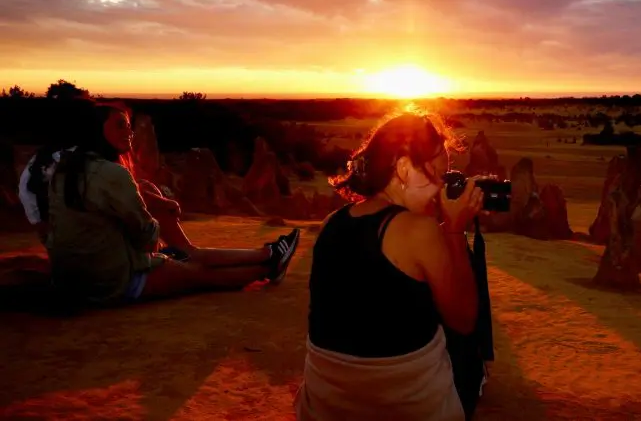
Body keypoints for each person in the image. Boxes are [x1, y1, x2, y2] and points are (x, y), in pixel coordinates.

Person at [295, 112, 483, 421]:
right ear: (405, 169)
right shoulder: (419, 231)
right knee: (465, 348)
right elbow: (464, 319)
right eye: (438, 174)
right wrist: (454, 230)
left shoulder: (332, 223)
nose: (441, 187)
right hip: (400, 405)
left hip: (326, 403)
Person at [46, 103, 300, 306]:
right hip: (111, 282)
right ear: (98, 131)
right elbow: (148, 238)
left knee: (188, 255)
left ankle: (268, 253)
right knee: (199, 272)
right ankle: (268, 266)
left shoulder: (64, 170)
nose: (129, 133)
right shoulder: (113, 174)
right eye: (120, 126)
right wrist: (161, 216)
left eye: (129, 127)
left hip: (72, 278)